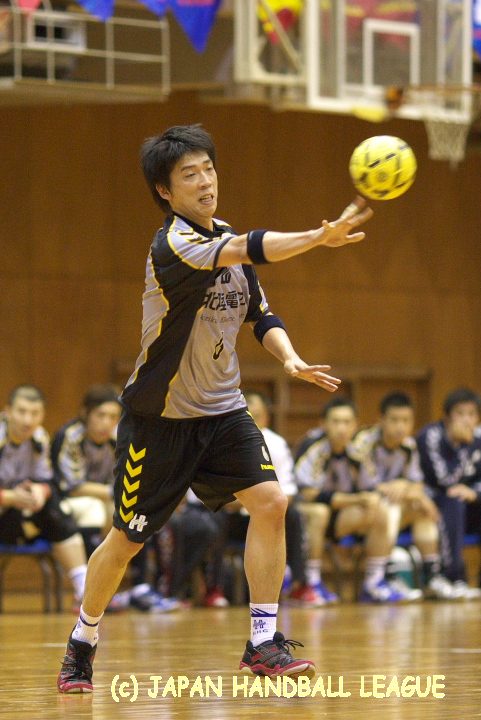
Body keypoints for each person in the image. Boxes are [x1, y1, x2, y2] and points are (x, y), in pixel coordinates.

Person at [58, 123, 373, 692]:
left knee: (272, 502)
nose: (206, 182)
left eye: (209, 169)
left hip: (224, 412)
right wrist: (317, 236)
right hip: (161, 420)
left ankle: (262, 642)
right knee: (126, 541)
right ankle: (83, 639)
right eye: (190, 175)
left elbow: (260, 313)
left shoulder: (223, 233)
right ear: (165, 191)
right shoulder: (175, 245)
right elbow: (250, 248)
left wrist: (290, 359)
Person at [52, 384, 180, 613]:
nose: (107, 423)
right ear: (85, 413)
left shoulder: (119, 436)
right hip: (69, 501)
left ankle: (140, 587)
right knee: (97, 510)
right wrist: (113, 494)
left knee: (138, 513)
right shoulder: (71, 436)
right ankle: (89, 591)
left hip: (106, 498)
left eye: (113, 417)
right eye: (100, 415)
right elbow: (72, 486)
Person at [295, 397, 405, 603]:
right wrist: (356, 500)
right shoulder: (314, 447)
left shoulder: (357, 452)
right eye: (336, 422)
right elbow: (309, 494)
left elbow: (370, 487)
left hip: (340, 516)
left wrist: (371, 498)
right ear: (323, 424)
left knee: (381, 508)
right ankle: (310, 582)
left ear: (355, 425)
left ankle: (374, 581)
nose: (341, 428)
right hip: (306, 515)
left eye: (347, 422)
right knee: (320, 512)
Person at [353, 392, 455, 600]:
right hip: (363, 509)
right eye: (394, 420)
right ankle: (377, 580)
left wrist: (411, 491)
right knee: (391, 508)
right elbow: (367, 486)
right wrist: (405, 488)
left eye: (406, 420)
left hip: (395, 508)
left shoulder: (409, 445)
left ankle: (432, 576)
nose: (401, 426)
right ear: (381, 420)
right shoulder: (364, 442)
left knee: (423, 510)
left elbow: (416, 484)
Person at [0, 385, 88, 607]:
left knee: (55, 508)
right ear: (7, 411)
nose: (27, 420)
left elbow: (48, 481)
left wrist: (41, 491)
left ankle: (84, 590)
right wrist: (9, 497)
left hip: (21, 513)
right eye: (21, 411)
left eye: (35, 413)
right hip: (6, 509)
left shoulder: (39, 438)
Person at [244, 390, 333, 605]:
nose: (251, 421)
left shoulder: (275, 444)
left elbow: (288, 490)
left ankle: (299, 584)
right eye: (246, 415)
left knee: (291, 515)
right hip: (233, 515)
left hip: (266, 513)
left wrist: (260, 504)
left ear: (266, 417)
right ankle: (215, 589)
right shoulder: (222, 442)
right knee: (211, 521)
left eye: (257, 415)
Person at [417, 387, 481, 599]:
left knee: (463, 499)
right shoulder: (430, 435)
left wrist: (474, 492)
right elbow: (444, 481)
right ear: (447, 417)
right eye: (460, 413)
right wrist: (463, 446)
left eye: (471, 414)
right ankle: (454, 577)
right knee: (453, 499)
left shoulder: (479, 438)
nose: (466, 420)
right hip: (434, 502)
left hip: (468, 502)